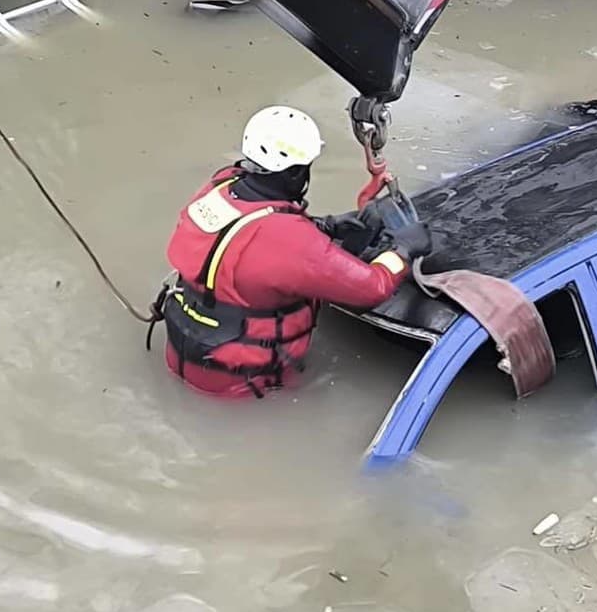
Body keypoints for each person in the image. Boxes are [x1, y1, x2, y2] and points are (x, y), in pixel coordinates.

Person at [160, 105, 432, 399]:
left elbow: (243, 235)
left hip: (187, 354)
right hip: (246, 388)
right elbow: (373, 287)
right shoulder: (292, 243)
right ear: (294, 173)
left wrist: (324, 226)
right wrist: (405, 249)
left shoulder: (221, 185)